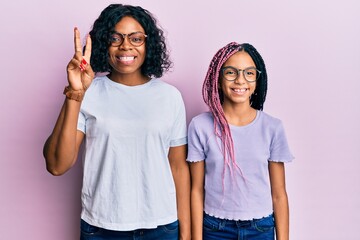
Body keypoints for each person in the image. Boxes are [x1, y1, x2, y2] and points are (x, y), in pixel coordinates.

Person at [43, 4, 190, 240]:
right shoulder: (89, 92)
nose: (126, 46)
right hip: (100, 228)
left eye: (136, 38)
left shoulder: (170, 96)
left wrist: (186, 234)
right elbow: (57, 165)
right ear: (104, 43)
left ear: (148, 43)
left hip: (161, 227)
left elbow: (179, 168)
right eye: (115, 38)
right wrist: (75, 92)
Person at [187, 42, 294, 240]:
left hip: (260, 229)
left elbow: (279, 194)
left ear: (256, 80)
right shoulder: (200, 126)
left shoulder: (272, 127)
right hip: (214, 228)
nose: (240, 80)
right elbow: (196, 190)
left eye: (249, 73)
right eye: (231, 72)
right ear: (218, 79)